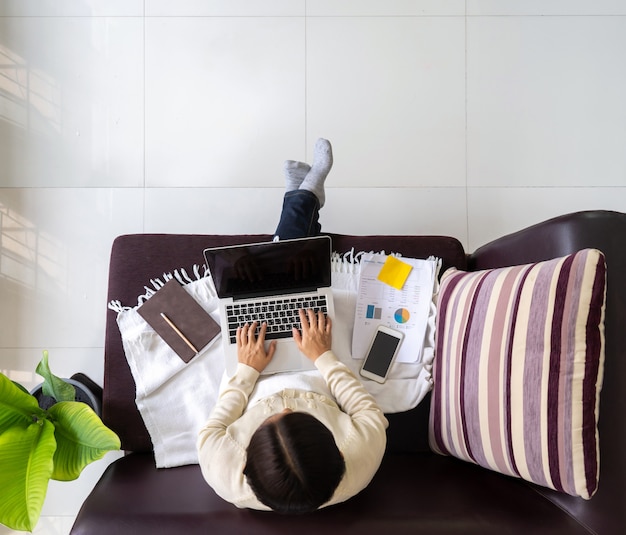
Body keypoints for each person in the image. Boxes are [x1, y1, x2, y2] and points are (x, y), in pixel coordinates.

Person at [197, 139, 388, 514]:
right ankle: (302, 198)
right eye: (297, 415)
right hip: (317, 371)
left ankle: (303, 197)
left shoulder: (223, 471)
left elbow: (213, 428)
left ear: (246, 460)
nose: (284, 406)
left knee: (260, 277)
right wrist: (324, 357)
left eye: (272, 420)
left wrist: (246, 371)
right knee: (297, 275)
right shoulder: (361, 458)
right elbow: (367, 413)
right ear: (336, 446)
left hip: (253, 374)